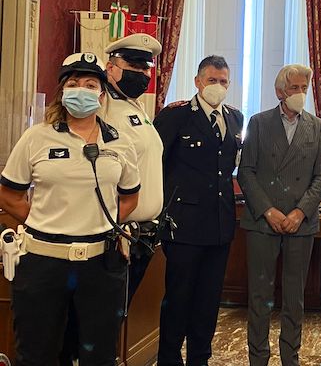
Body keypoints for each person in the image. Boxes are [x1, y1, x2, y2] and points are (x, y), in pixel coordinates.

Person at [0, 52, 140, 366]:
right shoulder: (36, 137)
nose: (82, 91)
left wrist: (102, 222)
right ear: (62, 91)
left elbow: (130, 197)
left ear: (101, 95)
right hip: (43, 263)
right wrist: (44, 221)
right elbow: (8, 196)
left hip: (100, 264)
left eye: (90, 85)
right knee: (36, 355)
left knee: (99, 356)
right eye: (74, 84)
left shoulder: (119, 142)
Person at [153, 55, 244, 366]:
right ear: (197, 82)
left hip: (219, 225)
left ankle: (199, 359)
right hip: (183, 225)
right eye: (211, 80)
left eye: (223, 81)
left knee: (208, 301)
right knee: (178, 299)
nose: (218, 86)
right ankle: (168, 359)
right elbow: (156, 165)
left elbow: (227, 168)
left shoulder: (235, 117)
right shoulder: (176, 116)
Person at [237, 64, 321, 366]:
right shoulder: (259, 122)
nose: (300, 93)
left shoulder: (317, 127)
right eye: (294, 88)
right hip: (263, 222)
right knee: (259, 296)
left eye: (304, 88)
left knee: (294, 297)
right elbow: (246, 172)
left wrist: (300, 212)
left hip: (300, 224)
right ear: (280, 92)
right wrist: (268, 210)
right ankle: (258, 358)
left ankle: (291, 357)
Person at [104, 33, 164, 302]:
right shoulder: (103, 107)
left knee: (119, 312)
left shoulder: (135, 106)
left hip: (142, 235)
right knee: (105, 314)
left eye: (145, 68)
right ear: (111, 68)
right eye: (133, 66)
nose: (141, 74)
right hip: (119, 234)